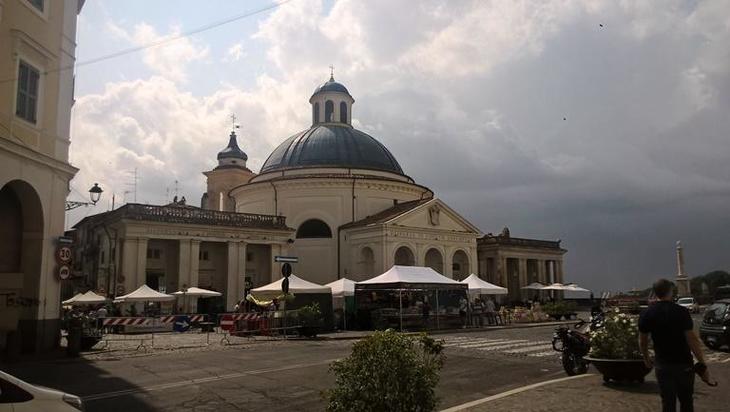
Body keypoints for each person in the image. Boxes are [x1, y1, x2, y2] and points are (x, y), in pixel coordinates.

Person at [639, 278, 712, 412]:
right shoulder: (681, 312)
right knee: (686, 402)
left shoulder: (647, 313)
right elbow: (692, 341)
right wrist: (702, 364)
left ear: (655, 293)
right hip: (684, 364)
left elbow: (643, 341)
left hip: (663, 365)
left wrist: (645, 358)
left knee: (667, 403)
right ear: (670, 291)